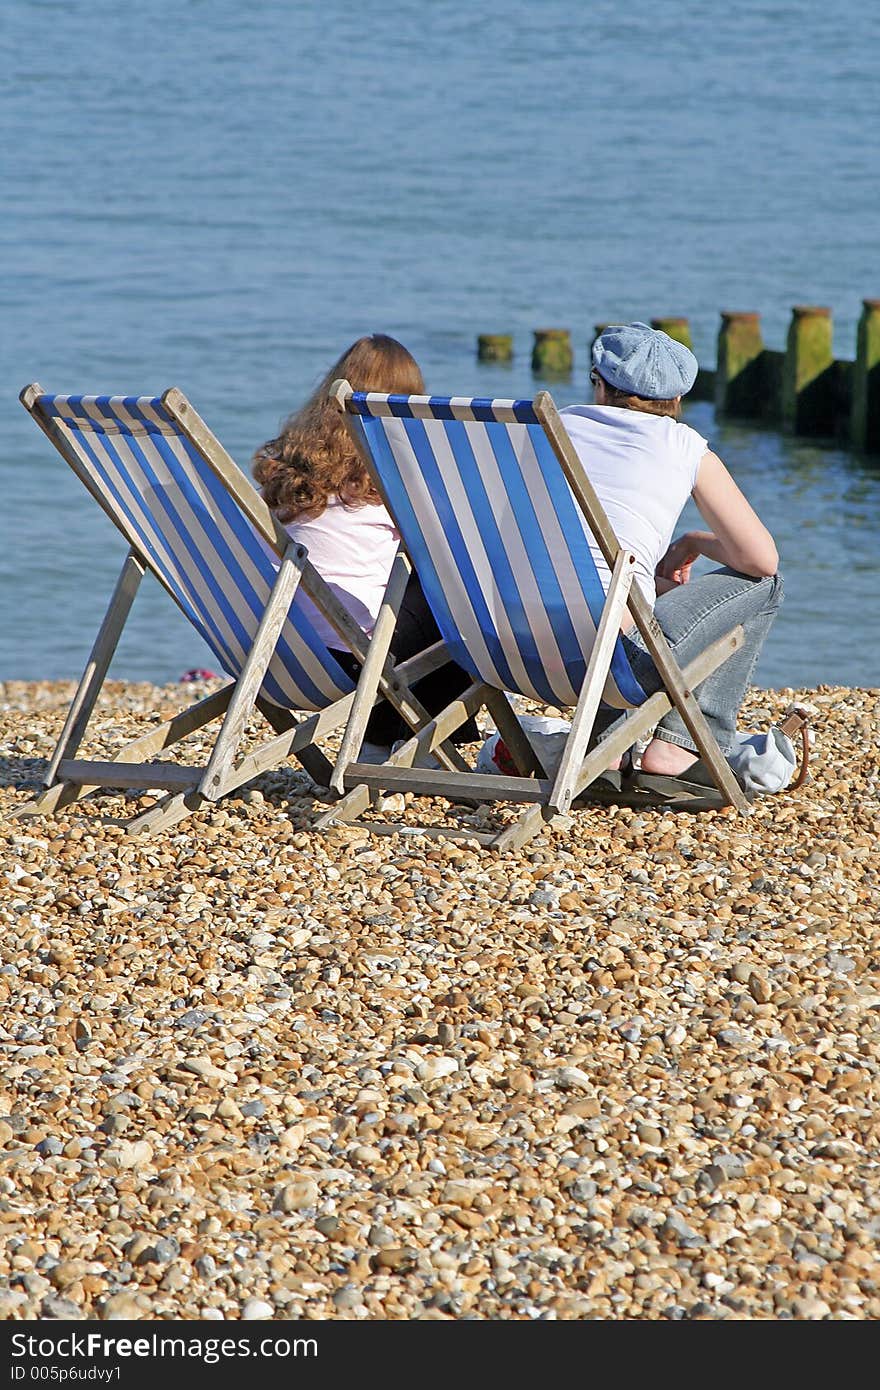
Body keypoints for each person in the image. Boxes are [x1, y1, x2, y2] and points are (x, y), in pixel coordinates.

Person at [560, 321, 782, 799]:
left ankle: (604, 750)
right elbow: (761, 561)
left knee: (613, 593)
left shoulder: (548, 428)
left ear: (600, 383)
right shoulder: (683, 447)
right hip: (607, 663)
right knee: (766, 586)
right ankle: (680, 750)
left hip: (499, 646)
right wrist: (697, 542)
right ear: (677, 400)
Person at [252, 333, 477, 754]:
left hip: (284, 651)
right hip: (353, 660)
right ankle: (408, 741)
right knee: (450, 592)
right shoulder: (388, 476)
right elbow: (446, 547)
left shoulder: (290, 467)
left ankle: (406, 736)